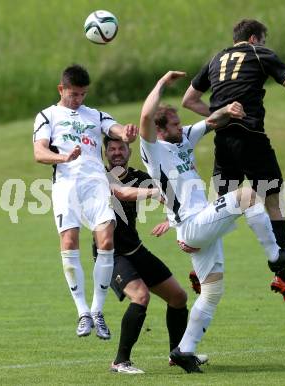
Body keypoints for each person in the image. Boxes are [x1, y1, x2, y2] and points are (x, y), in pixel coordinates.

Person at [139, 70, 285, 373]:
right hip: (192, 224)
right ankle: (275, 256)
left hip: (199, 227)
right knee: (246, 195)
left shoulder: (182, 140)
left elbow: (211, 122)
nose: (182, 127)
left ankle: (184, 351)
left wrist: (227, 110)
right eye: (175, 124)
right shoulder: (153, 149)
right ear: (160, 130)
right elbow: (145, 116)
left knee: (213, 291)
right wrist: (162, 83)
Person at [181, 19, 285, 304]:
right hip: (251, 139)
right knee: (273, 202)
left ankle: (198, 269)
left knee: (218, 206)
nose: (264, 45)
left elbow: (189, 100)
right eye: (263, 41)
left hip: (223, 140)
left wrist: (219, 115)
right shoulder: (258, 53)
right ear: (254, 38)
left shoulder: (216, 58)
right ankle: (281, 274)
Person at [33, 64, 137, 340]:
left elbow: (116, 129)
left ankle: (97, 311)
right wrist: (63, 158)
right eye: (74, 94)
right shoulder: (48, 115)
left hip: (96, 183)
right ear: (61, 89)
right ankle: (82, 312)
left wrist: (126, 133)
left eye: (82, 95)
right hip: (66, 184)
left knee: (106, 241)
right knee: (69, 242)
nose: (78, 100)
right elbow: (39, 152)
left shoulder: (95, 115)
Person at [99, 136, 208, 374]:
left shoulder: (140, 176)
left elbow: (173, 199)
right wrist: (152, 193)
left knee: (178, 297)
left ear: (129, 151)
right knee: (140, 296)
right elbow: (121, 193)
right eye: (112, 149)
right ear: (105, 153)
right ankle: (120, 362)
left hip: (135, 249)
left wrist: (172, 221)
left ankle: (178, 354)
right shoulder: (99, 176)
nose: (117, 152)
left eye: (121, 148)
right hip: (110, 254)